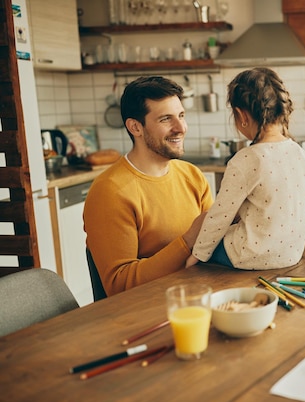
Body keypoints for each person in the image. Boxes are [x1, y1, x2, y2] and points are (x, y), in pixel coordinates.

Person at [84, 76, 213, 296]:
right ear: (136, 127)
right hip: (143, 312)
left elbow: (211, 246)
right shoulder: (110, 191)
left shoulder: (192, 175)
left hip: (195, 297)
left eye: (181, 116)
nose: (180, 127)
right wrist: (189, 239)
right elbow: (118, 286)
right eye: (165, 119)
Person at [186, 67, 305, 270]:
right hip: (292, 253)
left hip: (250, 256)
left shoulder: (247, 159)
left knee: (195, 236)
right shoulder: (298, 151)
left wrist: (196, 255)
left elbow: (220, 216)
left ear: (241, 114)